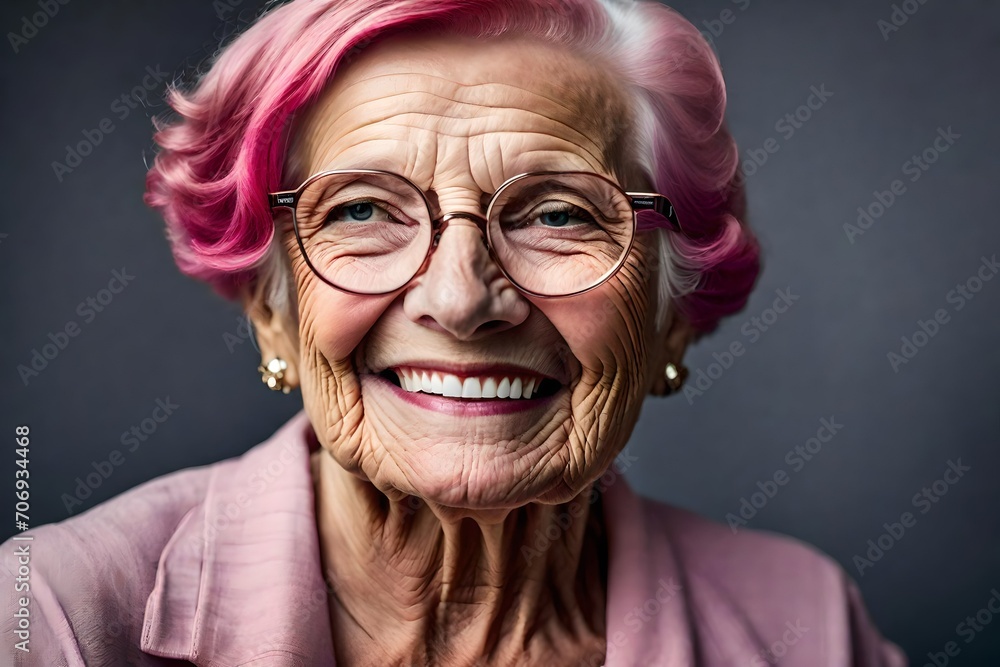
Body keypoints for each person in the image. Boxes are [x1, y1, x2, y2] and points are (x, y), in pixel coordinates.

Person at [1, 0, 907, 664]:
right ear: (273, 306)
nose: (462, 298)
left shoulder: (810, 624)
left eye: (558, 214)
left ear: (671, 313)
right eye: (362, 209)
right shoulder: (54, 617)